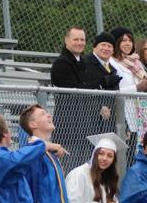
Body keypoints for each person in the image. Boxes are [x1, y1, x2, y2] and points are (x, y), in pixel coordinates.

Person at [49, 27, 118, 167]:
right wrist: (101, 82)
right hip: (69, 127)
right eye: (76, 39)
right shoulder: (62, 63)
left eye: (82, 40)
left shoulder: (82, 62)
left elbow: (87, 88)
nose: (79, 43)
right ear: (66, 40)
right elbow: (74, 91)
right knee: (71, 170)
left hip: (86, 125)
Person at [108, 27, 147, 136]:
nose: (128, 43)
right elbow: (113, 91)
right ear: (116, 42)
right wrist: (139, 87)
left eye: (130, 40)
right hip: (122, 119)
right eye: (124, 40)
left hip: (139, 120)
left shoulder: (135, 62)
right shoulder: (111, 62)